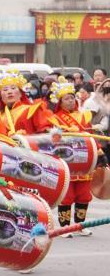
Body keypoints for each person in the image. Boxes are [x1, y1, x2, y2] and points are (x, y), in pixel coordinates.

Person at [48, 77, 103, 236]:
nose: (70, 101)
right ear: (60, 101)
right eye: (66, 98)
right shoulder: (54, 118)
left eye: (72, 98)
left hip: (84, 160)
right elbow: (53, 139)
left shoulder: (84, 116)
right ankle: (65, 227)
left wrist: (99, 152)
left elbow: (91, 136)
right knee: (67, 196)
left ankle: (80, 225)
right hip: (67, 161)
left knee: (84, 195)